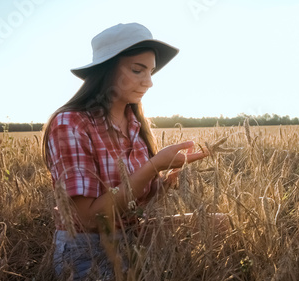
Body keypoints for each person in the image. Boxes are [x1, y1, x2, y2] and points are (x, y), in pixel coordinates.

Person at [42, 23, 218, 280]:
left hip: (135, 233)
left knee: (224, 223)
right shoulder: (71, 123)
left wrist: (164, 183)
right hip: (89, 249)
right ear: (106, 70)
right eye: (138, 70)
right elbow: (91, 219)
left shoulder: (135, 123)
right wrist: (154, 166)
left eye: (151, 72)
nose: (149, 82)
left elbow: (134, 200)